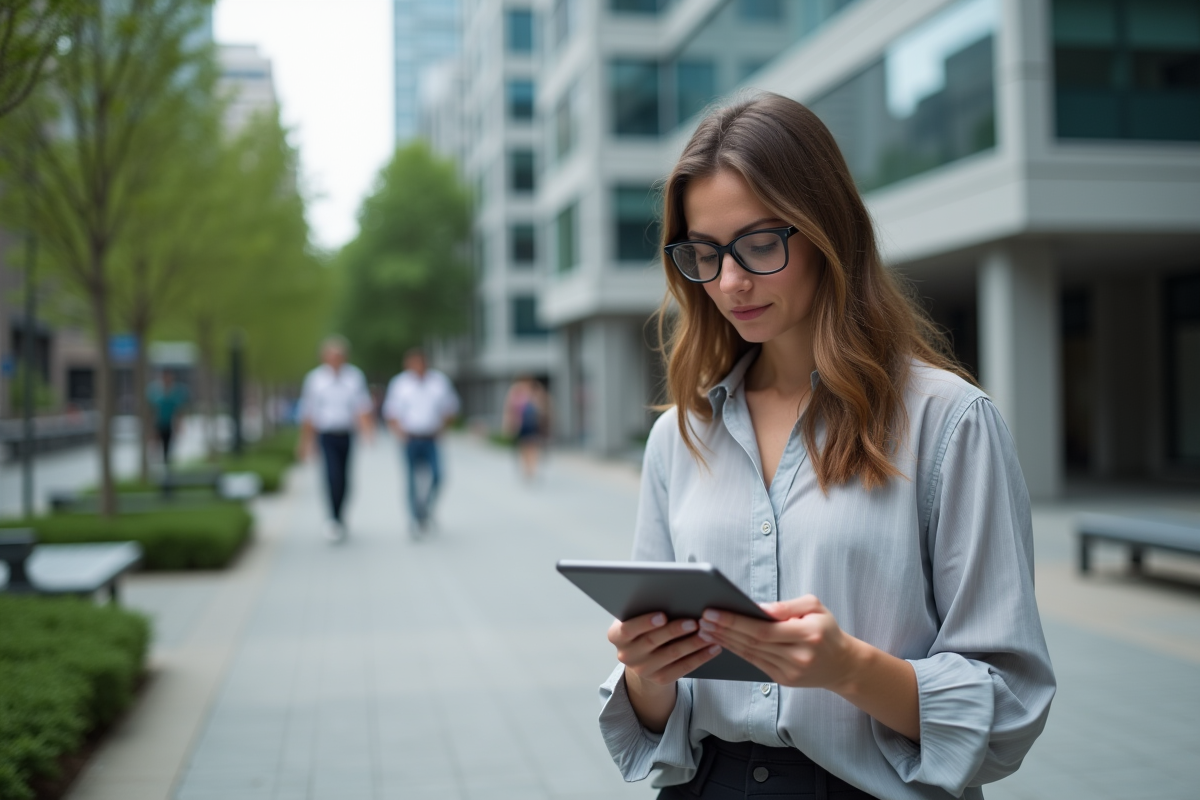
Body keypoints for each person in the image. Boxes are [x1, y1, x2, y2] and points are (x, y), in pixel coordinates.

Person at [599, 93, 1055, 800]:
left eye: (758, 244)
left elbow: (1009, 702)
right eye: (705, 253)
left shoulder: (949, 423)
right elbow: (664, 716)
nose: (730, 282)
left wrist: (849, 669)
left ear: (826, 232)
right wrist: (647, 675)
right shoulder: (679, 436)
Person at [297, 335, 374, 542]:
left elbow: (362, 407)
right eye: (331, 355)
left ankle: (340, 516)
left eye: (339, 355)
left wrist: (368, 432)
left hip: (346, 434)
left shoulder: (354, 377)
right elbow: (309, 413)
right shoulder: (315, 379)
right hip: (326, 435)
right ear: (324, 357)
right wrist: (305, 442)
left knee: (346, 479)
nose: (335, 359)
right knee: (332, 476)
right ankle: (332, 518)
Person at [383, 348, 460, 533]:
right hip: (410, 438)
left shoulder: (439, 382)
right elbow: (391, 412)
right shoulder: (400, 384)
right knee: (411, 480)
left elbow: (451, 406)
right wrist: (399, 432)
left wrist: (443, 427)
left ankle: (426, 508)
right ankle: (415, 518)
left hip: (431, 438)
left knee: (438, 476)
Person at [502, 375, 550, 480]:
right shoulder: (515, 391)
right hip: (521, 424)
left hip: (534, 423)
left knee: (532, 446)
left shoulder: (536, 390)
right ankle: (527, 467)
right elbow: (509, 409)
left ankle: (531, 468)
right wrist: (508, 425)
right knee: (524, 446)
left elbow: (544, 406)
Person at [147, 371, 188, 467]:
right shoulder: (155, 392)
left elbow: (178, 410)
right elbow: (151, 410)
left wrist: (179, 424)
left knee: (168, 446)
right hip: (158, 423)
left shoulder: (175, 392)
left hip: (169, 424)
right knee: (155, 446)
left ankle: (166, 465)